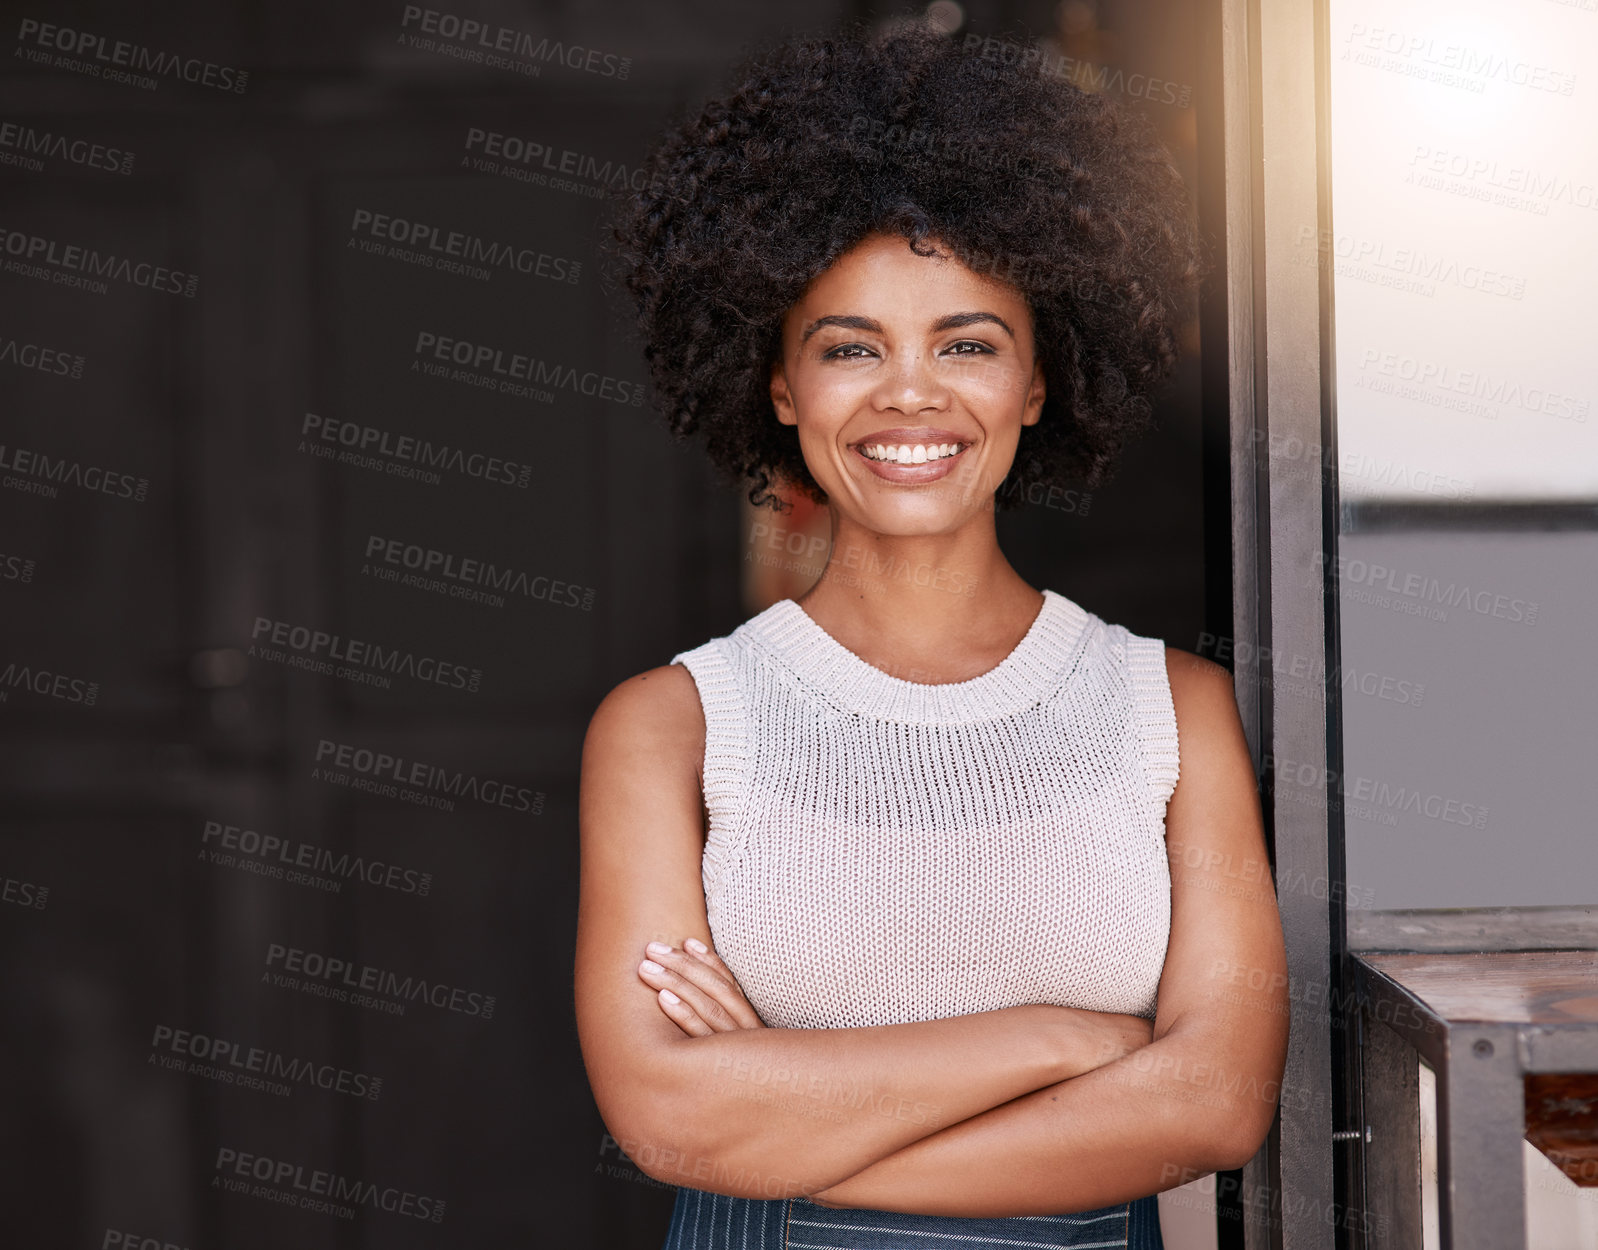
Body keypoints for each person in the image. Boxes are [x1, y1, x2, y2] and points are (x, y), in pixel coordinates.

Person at [575, 20, 1288, 1250]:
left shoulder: (1170, 708)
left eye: (966, 343)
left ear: (1035, 381)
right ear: (780, 385)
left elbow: (1214, 1104)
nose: (910, 392)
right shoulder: (673, 727)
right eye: (849, 347)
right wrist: (1061, 1041)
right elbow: (667, 1112)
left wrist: (788, 1132)